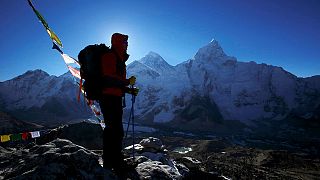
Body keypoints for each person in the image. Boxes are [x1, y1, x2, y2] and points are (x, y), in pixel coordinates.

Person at [98, 33, 138, 173]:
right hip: (108, 99)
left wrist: (128, 90)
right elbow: (108, 79)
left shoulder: (119, 59)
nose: (127, 45)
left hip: (114, 98)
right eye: (125, 42)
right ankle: (112, 163)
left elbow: (114, 84)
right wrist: (127, 82)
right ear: (118, 43)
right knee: (113, 131)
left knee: (115, 131)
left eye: (127, 43)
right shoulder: (110, 56)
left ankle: (114, 161)